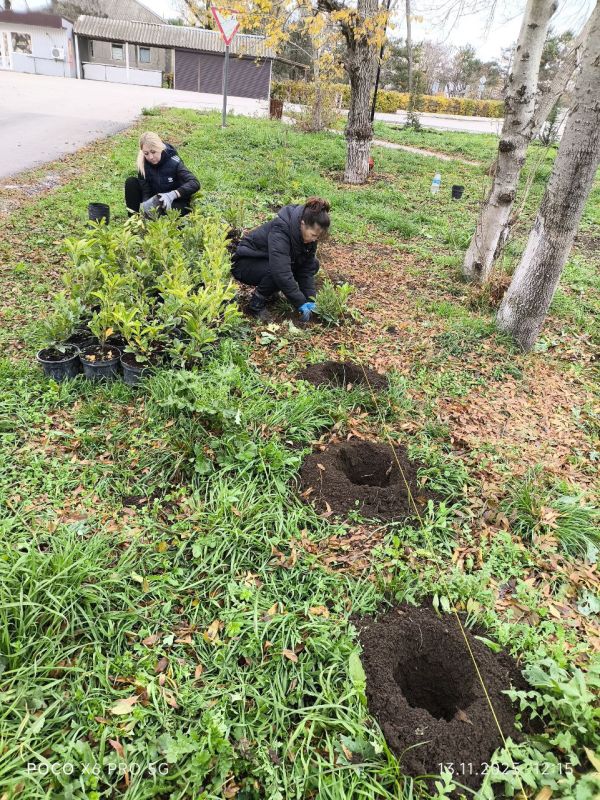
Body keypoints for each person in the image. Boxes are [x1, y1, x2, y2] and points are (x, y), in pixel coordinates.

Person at [232, 198, 330, 322]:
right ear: (302, 223)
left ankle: (271, 292)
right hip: (245, 264)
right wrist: (299, 302)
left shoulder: (309, 238)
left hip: (267, 262)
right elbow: (281, 271)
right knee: (277, 270)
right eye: (313, 235)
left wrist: (310, 299)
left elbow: (307, 269)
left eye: (318, 236)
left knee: (313, 264)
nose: (315, 239)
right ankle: (255, 305)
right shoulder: (281, 229)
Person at [125, 132, 200, 217]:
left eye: (153, 152)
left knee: (166, 213)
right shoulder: (143, 162)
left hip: (174, 200)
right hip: (156, 198)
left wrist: (172, 195)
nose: (150, 157)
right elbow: (145, 188)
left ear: (160, 148)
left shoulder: (173, 162)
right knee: (131, 182)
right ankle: (133, 218)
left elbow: (195, 183)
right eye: (146, 153)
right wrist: (147, 204)